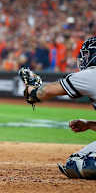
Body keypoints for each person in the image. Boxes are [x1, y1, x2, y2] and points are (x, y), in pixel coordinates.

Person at [18, 36, 96, 179]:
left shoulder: (92, 74)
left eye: (87, 55)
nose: (84, 58)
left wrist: (31, 91)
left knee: (77, 163)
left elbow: (46, 91)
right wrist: (90, 124)